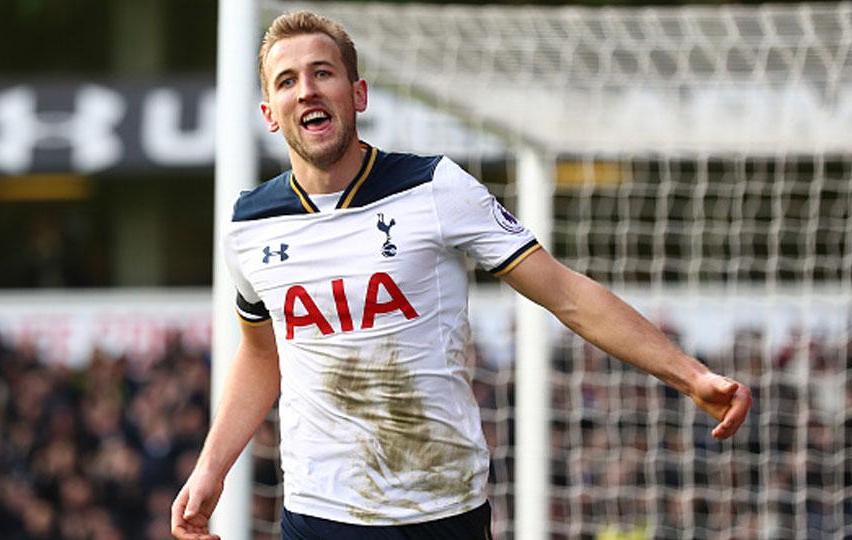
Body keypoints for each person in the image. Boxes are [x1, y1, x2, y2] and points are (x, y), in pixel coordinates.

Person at [171, 11, 753, 540]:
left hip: (443, 509)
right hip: (320, 511)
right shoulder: (250, 224)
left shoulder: (434, 187)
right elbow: (261, 352)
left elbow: (566, 294)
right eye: (288, 81)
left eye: (322, 73)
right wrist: (211, 468)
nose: (307, 90)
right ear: (271, 114)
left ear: (357, 93)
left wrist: (689, 375)